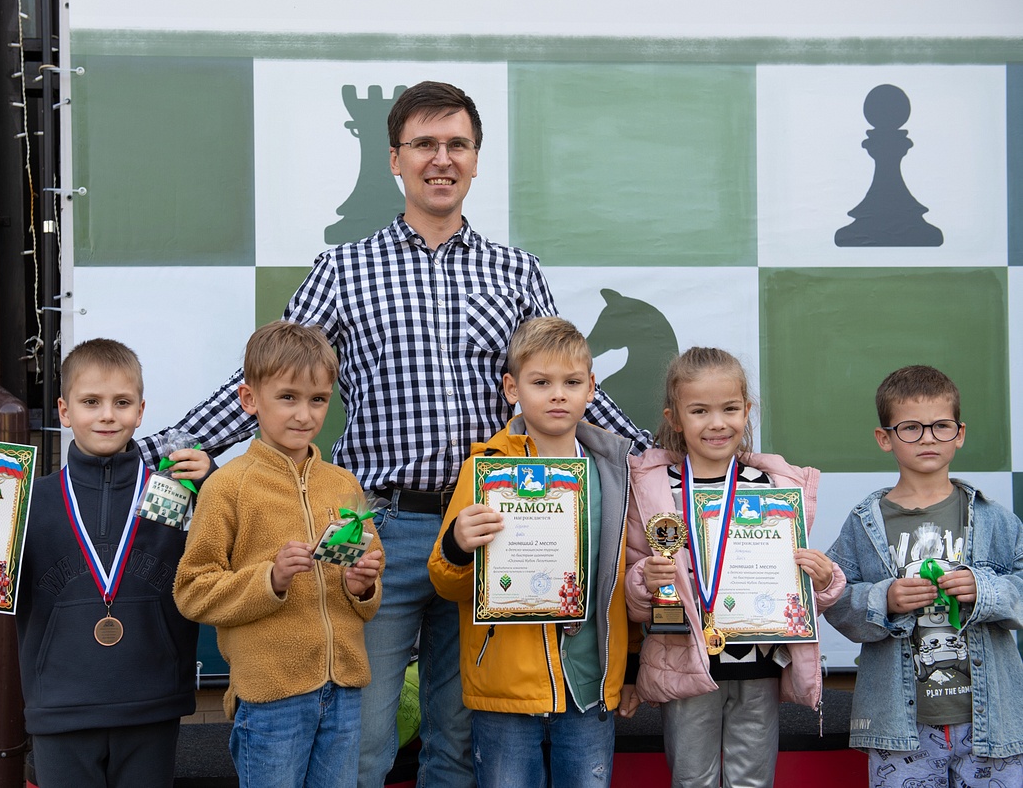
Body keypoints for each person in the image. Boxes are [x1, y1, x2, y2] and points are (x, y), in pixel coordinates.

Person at [138, 80, 649, 787]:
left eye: (457, 145)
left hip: (490, 528)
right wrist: (156, 448)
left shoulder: (515, 270)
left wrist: (663, 460)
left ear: (476, 159)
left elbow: (567, 384)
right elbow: (267, 375)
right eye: (425, 145)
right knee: (364, 738)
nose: (441, 159)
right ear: (395, 160)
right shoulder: (344, 269)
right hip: (376, 530)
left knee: (458, 740)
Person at [0, 339, 210, 788]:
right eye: (91, 402)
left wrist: (215, 488)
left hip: (152, 702)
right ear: (65, 411)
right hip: (59, 707)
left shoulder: (179, 495)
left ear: (141, 412)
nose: (107, 415)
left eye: (121, 403)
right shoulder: (27, 499)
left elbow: (227, 552)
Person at [427, 316, 638, 787]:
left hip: (587, 685)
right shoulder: (487, 469)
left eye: (572, 382)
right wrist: (459, 546)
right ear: (511, 387)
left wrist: (631, 667)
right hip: (507, 687)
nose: (558, 394)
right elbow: (445, 582)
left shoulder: (615, 473)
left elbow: (621, 580)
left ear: (591, 388)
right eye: (541, 382)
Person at [172, 321, 384, 788]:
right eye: (287, 397)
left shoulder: (343, 484)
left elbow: (368, 582)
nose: (304, 415)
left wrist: (362, 585)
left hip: (344, 689)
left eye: (317, 400)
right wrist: (270, 580)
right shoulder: (228, 486)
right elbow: (192, 590)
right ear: (250, 400)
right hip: (271, 698)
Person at [623, 347, 846, 788]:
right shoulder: (655, 490)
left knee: (752, 780)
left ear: (747, 411)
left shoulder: (773, 487)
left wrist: (824, 580)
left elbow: (796, 586)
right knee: (691, 778)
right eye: (700, 410)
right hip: (685, 660)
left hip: (758, 662)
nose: (717, 422)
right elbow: (631, 584)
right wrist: (643, 581)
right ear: (674, 417)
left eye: (729, 409)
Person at [825, 365, 1023, 785]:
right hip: (901, 729)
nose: (929, 437)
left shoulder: (995, 520)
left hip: (993, 724)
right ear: (885, 438)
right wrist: (884, 600)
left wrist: (983, 590)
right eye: (911, 427)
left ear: (960, 432)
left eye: (941, 426)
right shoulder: (864, 523)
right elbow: (834, 599)